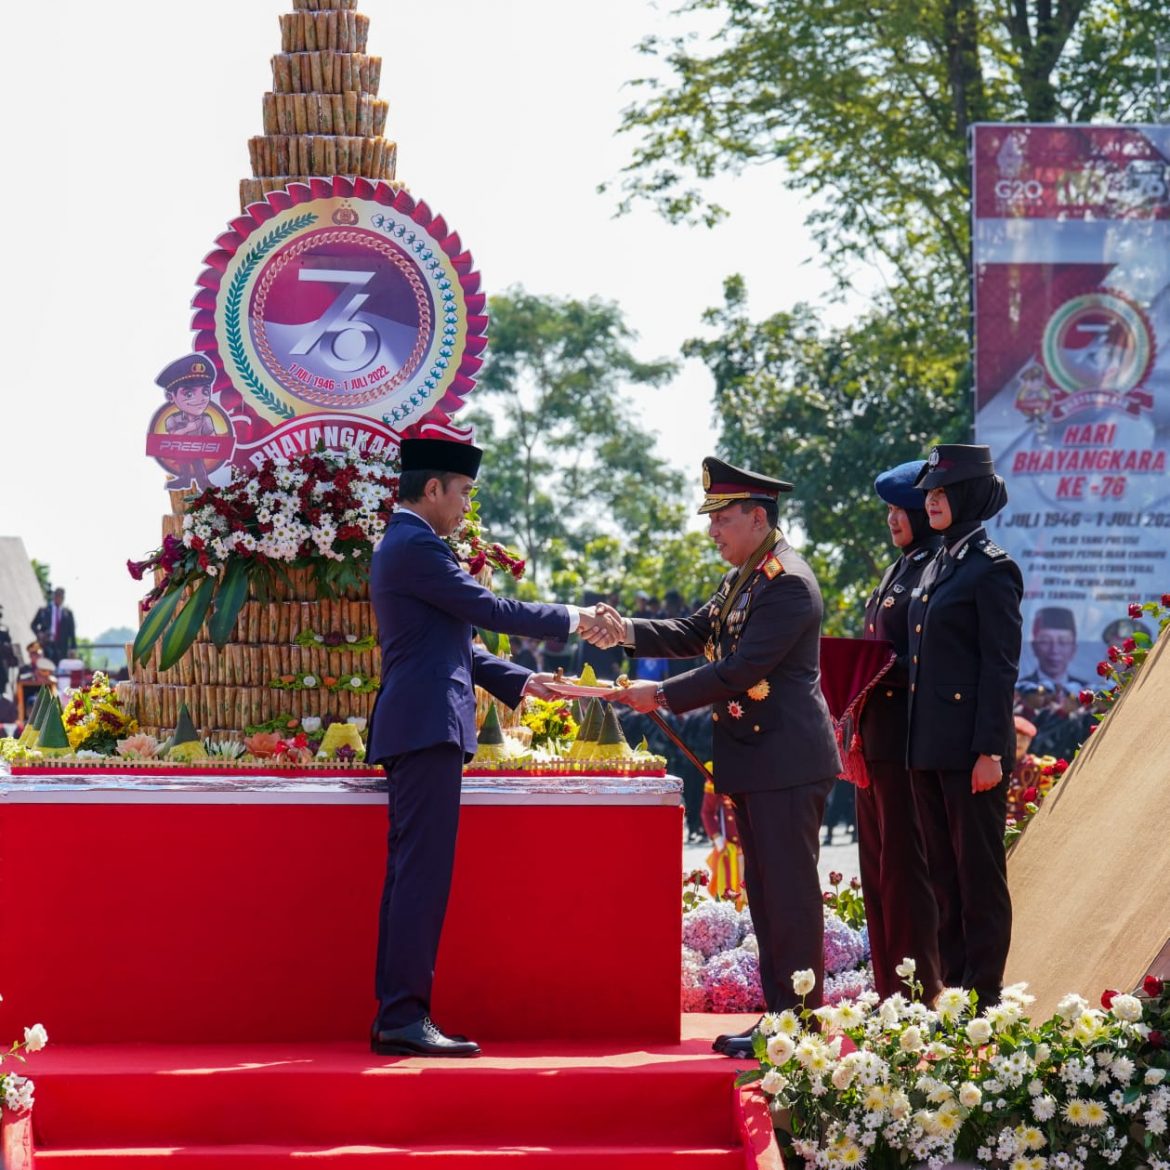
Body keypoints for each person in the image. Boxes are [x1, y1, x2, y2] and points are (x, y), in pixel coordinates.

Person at [366, 436, 618, 1058]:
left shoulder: (409, 545)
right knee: (421, 877)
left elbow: (458, 642)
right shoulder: (415, 545)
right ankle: (402, 1016)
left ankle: (399, 1012)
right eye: (462, 494)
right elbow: (489, 607)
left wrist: (522, 680)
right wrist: (572, 616)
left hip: (421, 725)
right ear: (432, 490)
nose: (463, 507)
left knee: (413, 876)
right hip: (426, 728)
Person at [608, 456, 841, 1056]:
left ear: (758, 518)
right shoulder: (747, 577)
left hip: (786, 763)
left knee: (788, 895)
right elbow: (694, 632)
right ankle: (782, 1020)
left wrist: (659, 693)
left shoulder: (785, 581)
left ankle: (801, 1027)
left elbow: (742, 669)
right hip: (761, 764)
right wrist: (623, 630)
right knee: (766, 894)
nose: (713, 531)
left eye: (723, 519)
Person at [906, 444, 1022, 1007]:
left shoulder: (993, 569)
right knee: (942, 878)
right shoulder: (936, 563)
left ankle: (986, 995)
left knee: (979, 877)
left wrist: (991, 752)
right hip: (929, 748)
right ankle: (954, 993)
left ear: (970, 494)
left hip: (972, 753)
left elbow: (1000, 667)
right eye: (928, 492)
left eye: (941, 492)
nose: (930, 501)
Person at [855, 460, 943, 1003]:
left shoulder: (933, 570)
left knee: (906, 878)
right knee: (878, 876)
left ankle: (916, 997)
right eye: (888, 510)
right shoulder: (900, 567)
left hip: (908, 743)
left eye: (898, 510)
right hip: (874, 744)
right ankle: (890, 995)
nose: (892, 519)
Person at [1019, 607, 1088, 695]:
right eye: (1045, 641)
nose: (1054, 650)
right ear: (1034, 646)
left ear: (1074, 648)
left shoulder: (1085, 691)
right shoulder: (1021, 689)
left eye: (1063, 642)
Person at [32, 588, 76, 664]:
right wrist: (39, 634)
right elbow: (33, 625)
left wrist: (73, 648)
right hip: (46, 645)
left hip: (62, 647)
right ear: (54, 596)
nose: (59, 598)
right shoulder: (44, 610)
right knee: (46, 668)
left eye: (61, 596)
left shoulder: (68, 613)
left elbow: (72, 632)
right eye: (57, 596)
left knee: (60, 670)